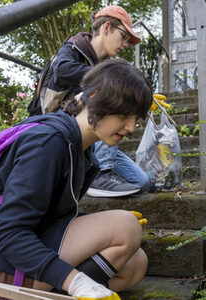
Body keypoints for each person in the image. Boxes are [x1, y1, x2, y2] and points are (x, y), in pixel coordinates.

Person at [0, 59, 152, 300]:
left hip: (11, 258)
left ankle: (65, 291)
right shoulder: (48, 143)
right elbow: (9, 233)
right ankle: (68, 291)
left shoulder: (82, 151)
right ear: (94, 96)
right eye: (124, 114)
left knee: (135, 264)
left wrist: (99, 229)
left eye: (135, 117)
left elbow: (47, 218)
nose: (130, 127)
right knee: (125, 228)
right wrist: (76, 282)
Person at [42, 5, 150, 197]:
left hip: (94, 137)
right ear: (107, 27)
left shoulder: (106, 64)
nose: (125, 44)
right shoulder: (73, 47)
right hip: (63, 122)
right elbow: (62, 70)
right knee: (106, 99)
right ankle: (100, 175)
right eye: (124, 37)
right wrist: (109, 78)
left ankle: (99, 168)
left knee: (141, 181)